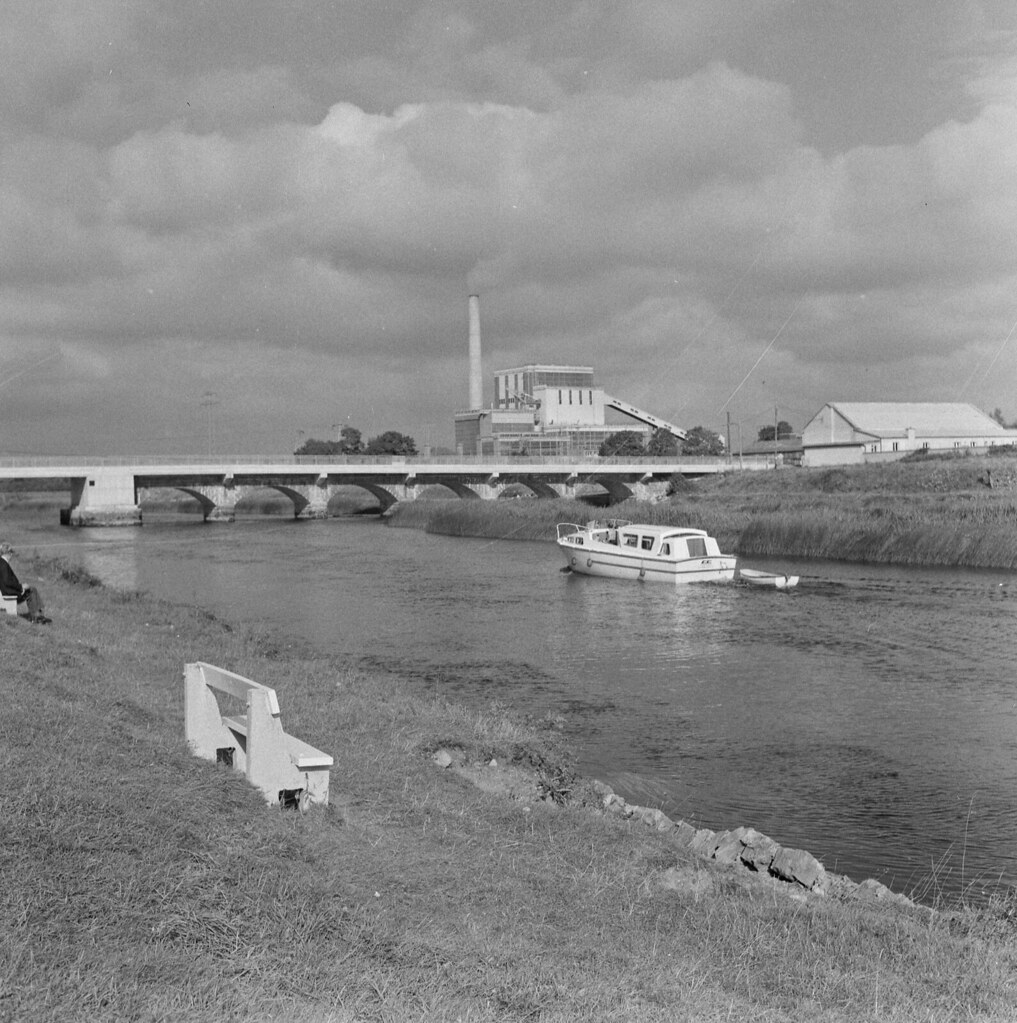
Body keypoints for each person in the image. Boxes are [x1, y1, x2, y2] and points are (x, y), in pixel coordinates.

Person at [0, 542, 51, 624]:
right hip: (9, 593)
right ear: (8, 553)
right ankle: (36, 617)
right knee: (31, 590)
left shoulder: (1, 562)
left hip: (6, 591)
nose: (12, 555)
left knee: (31, 589)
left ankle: (39, 615)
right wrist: (21, 587)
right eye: (11, 552)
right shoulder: (3, 564)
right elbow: (7, 581)